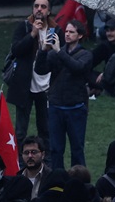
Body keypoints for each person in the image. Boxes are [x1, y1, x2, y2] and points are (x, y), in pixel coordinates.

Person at [35, 18, 94, 169]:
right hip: (56, 107)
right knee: (55, 149)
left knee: (77, 149)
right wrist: (42, 50)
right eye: (66, 31)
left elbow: (77, 67)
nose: (67, 34)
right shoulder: (56, 53)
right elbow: (40, 70)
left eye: (71, 32)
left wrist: (58, 52)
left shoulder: (85, 55)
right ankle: (57, 180)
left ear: (79, 35)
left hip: (76, 108)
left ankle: (79, 180)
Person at [7, 0, 53, 143]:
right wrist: (32, 34)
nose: (39, 9)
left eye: (43, 6)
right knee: (20, 130)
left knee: (45, 128)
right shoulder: (24, 26)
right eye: (36, 6)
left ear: (49, 11)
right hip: (24, 85)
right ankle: (19, 161)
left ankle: (46, 160)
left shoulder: (54, 29)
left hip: (45, 86)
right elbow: (16, 50)